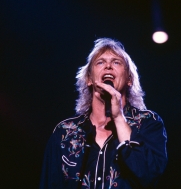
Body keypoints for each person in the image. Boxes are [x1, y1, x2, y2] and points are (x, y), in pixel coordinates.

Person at [40, 38, 167, 189]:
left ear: (129, 79)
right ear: (89, 79)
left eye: (116, 62)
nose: (108, 66)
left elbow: (149, 176)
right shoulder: (65, 132)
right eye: (100, 62)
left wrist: (118, 117)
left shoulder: (148, 123)